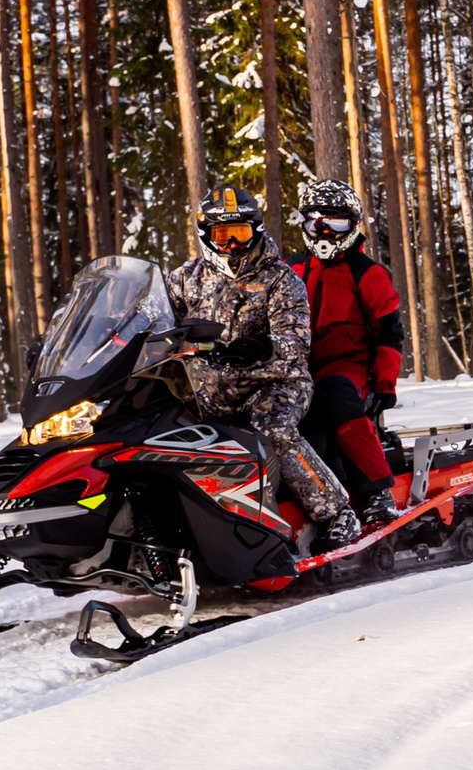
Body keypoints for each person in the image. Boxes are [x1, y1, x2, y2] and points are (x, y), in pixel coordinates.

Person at [172, 184, 363, 550]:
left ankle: (338, 515)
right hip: (207, 388)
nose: (231, 246)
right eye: (222, 236)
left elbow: (297, 342)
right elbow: (148, 317)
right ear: (206, 236)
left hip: (275, 384)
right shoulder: (186, 279)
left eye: (239, 235)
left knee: (271, 427)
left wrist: (260, 347)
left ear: (256, 232)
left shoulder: (280, 279)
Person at [291, 178, 408, 527]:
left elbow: (390, 332)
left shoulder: (367, 272)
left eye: (335, 222)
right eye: (316, 223)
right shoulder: (292, 268)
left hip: (348, 366)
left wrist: (385, 386)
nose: (324, 231)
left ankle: (377, 494)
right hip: (295, 366)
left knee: (335, 397)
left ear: (352, 224)